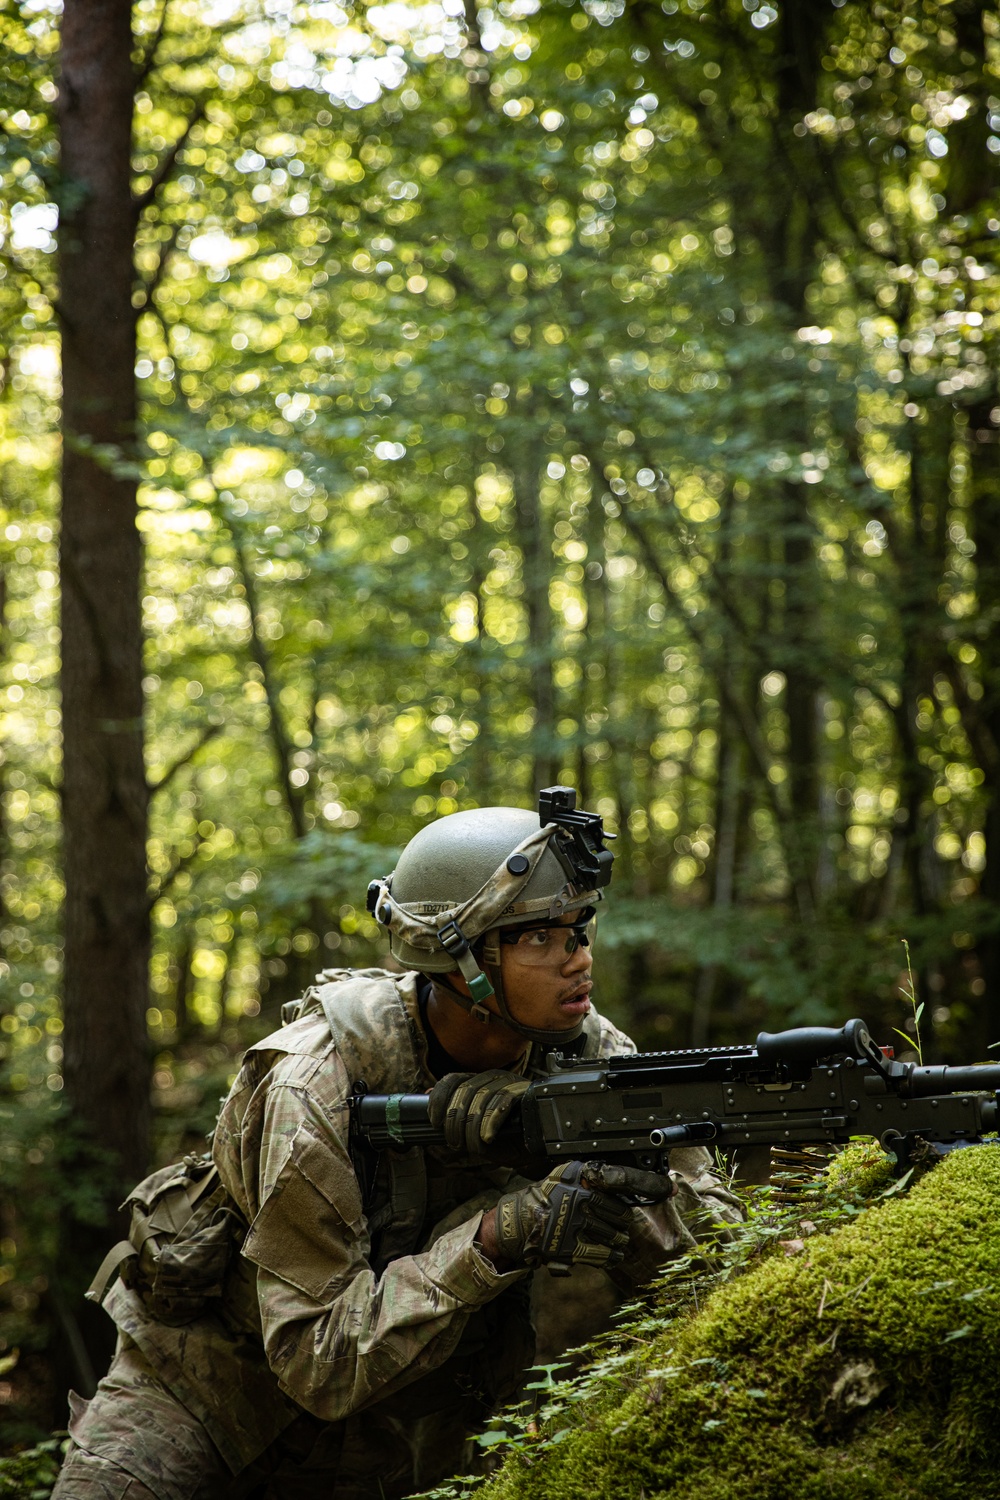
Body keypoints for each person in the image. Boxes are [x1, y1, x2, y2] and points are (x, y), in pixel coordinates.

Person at [54, 790, 740, 1500]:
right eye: (540, 936)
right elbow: (316, 1361)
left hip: (412, 1427)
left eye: (580, 930)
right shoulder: (312, 1084)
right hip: (208, 1397)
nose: (579, 960)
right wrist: (502, 1235)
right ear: (460, 960)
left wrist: (627, 1199)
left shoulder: (589, 1056)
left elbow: (708, 1274)